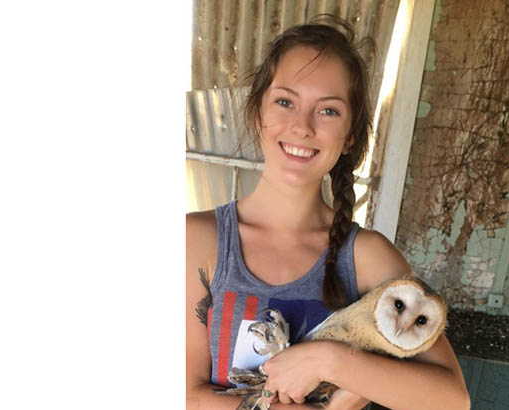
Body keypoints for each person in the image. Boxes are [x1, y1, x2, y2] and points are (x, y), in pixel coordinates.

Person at [186, 16, 470, 410]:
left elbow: (451, 400)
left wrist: (328, 360)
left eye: (329, 111)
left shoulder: (368, 258)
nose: (301, 126)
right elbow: (185, 395)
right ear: (257, 112)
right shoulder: (199, 240)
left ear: (350, 134)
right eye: (285, 102)